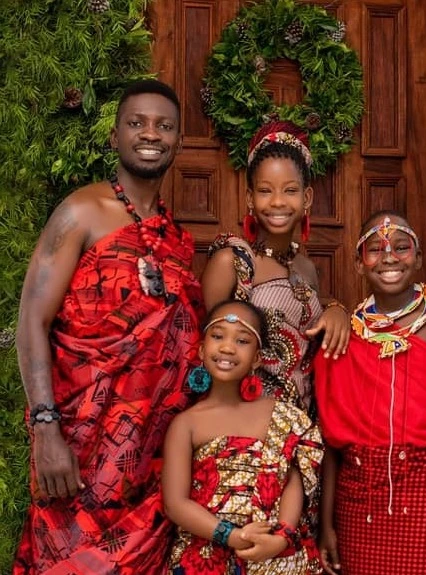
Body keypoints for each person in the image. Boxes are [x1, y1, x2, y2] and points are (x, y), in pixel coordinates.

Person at [13, 79, 203, 574]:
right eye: (137, 123)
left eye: (164, 126)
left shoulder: (177, 240)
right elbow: (32, 320)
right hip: (77, 452)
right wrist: (45, 429)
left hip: (150, 466)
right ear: (115, 136)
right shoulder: (81, 212)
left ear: (179, 141)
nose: (151, 134)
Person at [314, 211, 426, 575]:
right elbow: (332, 441)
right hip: (359, 502)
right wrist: (325, 524)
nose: (389, 257)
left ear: (418, 258)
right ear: (359, 264)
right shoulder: (344, 335)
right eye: (375, 249)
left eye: (401, 247)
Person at [163, 299, 323, 575]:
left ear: (258, 358)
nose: (227, 347)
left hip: (277, 557)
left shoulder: (281, 414)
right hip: (206, 557)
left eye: (242, 341)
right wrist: (231, 536)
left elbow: (292, 480)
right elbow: (175, 503)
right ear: (201, 349)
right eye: (217, 336)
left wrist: (282, 536)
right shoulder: (186, 424)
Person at [202, 121, 349, 418]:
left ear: (307, 198)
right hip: (244, 423)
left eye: (290, 190)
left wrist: (337, 309)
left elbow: (311, 329)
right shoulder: (232, 263)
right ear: (250, 198)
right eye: (265, 191)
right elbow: (209, 350)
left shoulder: (306, 268)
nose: (278, 202)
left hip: (301, 424)